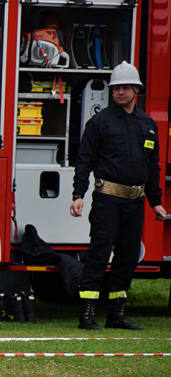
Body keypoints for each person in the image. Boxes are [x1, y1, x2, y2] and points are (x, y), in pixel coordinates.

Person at [70, 61, 166, 330]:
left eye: (125, 88)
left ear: (136, 89)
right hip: (107, 199)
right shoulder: (100, 123)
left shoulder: (147, 124)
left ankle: (116, 314)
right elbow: (84, 161)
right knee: (99, 255)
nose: (120, 92)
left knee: (126, 257)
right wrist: (78, 194)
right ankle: (87, 315)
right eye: (116, 88)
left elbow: (153, 165)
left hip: (135, 201)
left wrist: (156, 202)